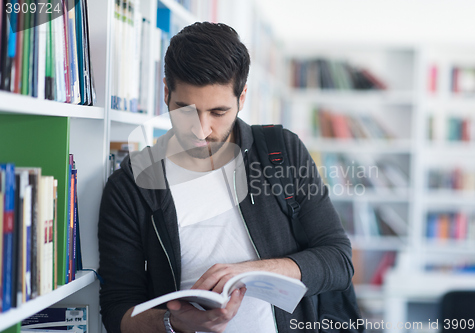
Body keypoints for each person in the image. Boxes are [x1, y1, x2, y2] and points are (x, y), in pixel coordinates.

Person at [98, 22, 353, 333]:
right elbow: (117, 309)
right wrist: (172, 322)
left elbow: (338, 259)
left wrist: (255, 271)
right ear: (166, 92)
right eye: (185, 109)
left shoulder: (280, 151)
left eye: (218, 112)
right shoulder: (132, 184)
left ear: (242, 98)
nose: (201, 129)